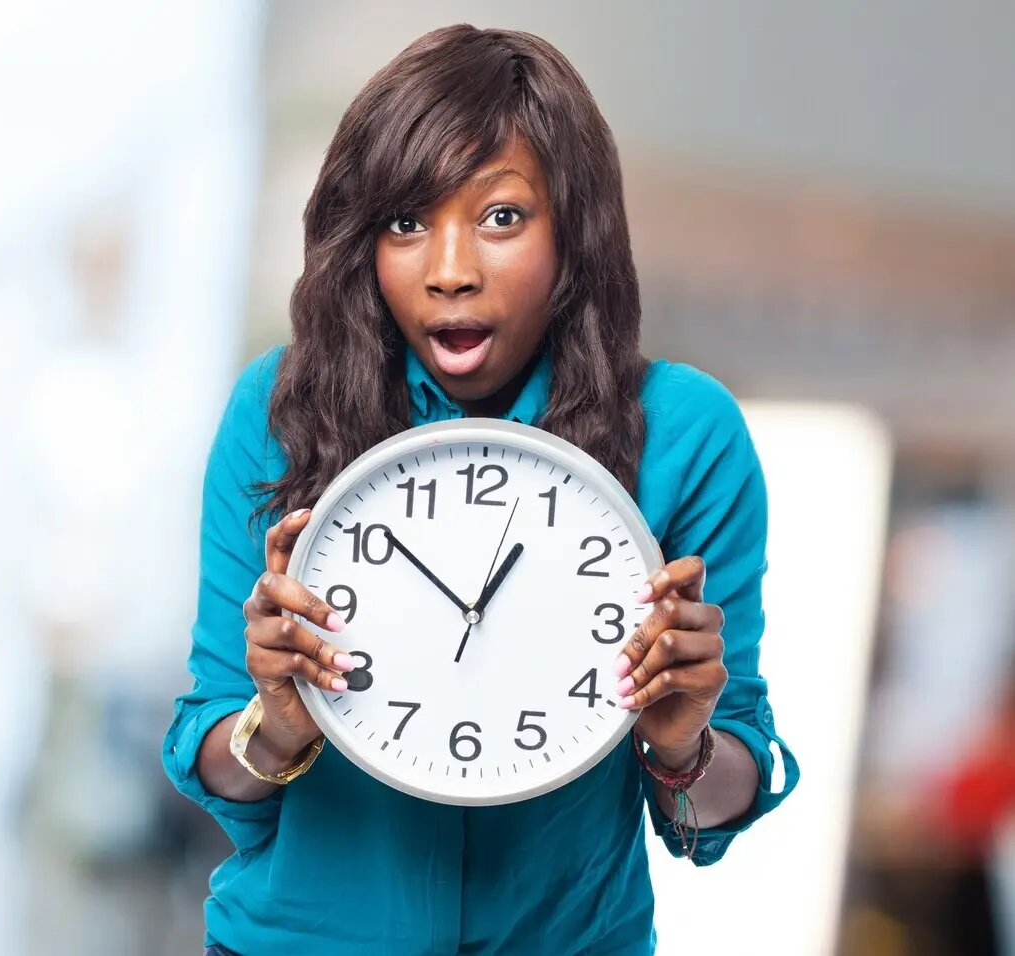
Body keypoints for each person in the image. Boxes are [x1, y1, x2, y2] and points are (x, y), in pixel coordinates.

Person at [162, 24, 799, 956]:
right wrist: (279, 722)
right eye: (406, 223)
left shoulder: (685, 434)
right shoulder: (278, 408)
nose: (450, 270)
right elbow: (215, 752)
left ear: (574, 230)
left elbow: (717, 803)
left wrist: (682, 741)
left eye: (500, 218)